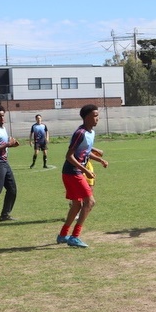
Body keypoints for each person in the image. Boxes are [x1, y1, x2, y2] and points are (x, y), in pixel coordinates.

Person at [57, 104, 108, 248]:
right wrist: (84, 170)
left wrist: (100, 160)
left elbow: (86, 152)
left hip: (74, 172)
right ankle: (74, 237)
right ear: (87, 117)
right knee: (90, 202)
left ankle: (62, 235)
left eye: (98, 115)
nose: (97, 118)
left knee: (77, 205)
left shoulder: (90, 132)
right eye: (95, 116)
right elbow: (69, 156)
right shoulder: (80, 133)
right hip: (72, 173)